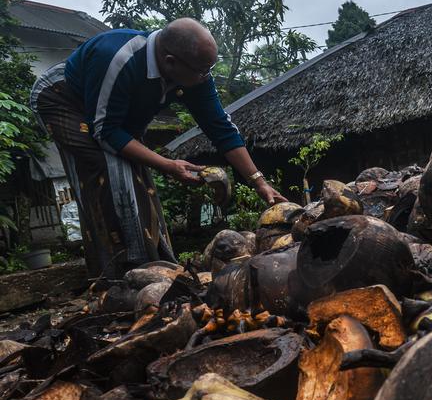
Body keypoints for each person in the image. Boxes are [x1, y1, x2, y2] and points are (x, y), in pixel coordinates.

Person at [30, 17, 285, 278]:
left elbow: (220, 127)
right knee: (107, 169)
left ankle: (159, 265)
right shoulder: (119, 58)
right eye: (201, 70)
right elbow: (106, 132)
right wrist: (167, 165)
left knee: (140, 176)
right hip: (63, 100)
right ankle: (118, 274)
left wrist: (259, 182)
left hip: (113, 117)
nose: (206, 76)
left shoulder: (194, 73)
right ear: (170, 61)